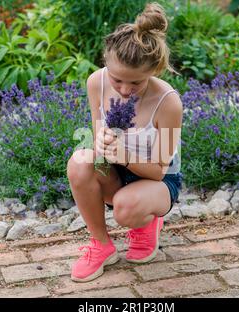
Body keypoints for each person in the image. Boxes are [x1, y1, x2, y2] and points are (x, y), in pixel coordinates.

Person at [66, 2, 183, 283]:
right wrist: (103, 143)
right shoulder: (96, 83)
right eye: (118, 80)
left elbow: (159, 170)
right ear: (106, 64)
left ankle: (147, 222)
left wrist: (124, 154)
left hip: (158, 181)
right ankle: (101, 246)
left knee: (125, 208)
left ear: (153, 72)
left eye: (136, 83)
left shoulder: (168, 103)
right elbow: (97, 142)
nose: (125, 90)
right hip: (117, 171)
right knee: (79, 161)